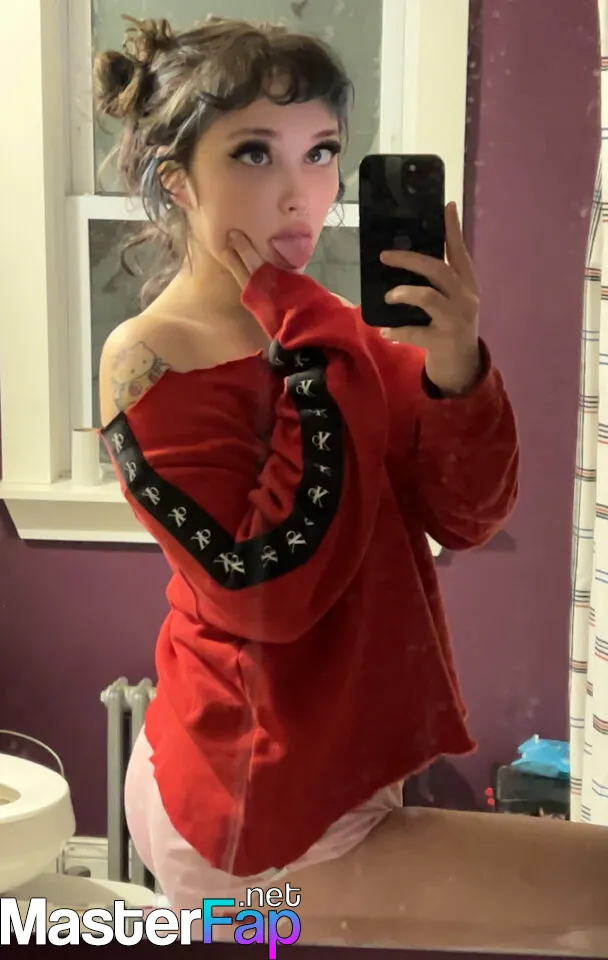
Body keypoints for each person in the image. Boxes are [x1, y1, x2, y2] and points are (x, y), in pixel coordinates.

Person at [95, 14, 608, 948]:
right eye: (255, 153)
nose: (302, 193)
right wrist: (314, 346)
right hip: (245, 805)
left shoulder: (333, 334)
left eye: (322, 151)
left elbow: (466, 513)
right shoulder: (151, 359)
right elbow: (266, 590)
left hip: (337, 768)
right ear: (178, 181)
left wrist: (455, 364)